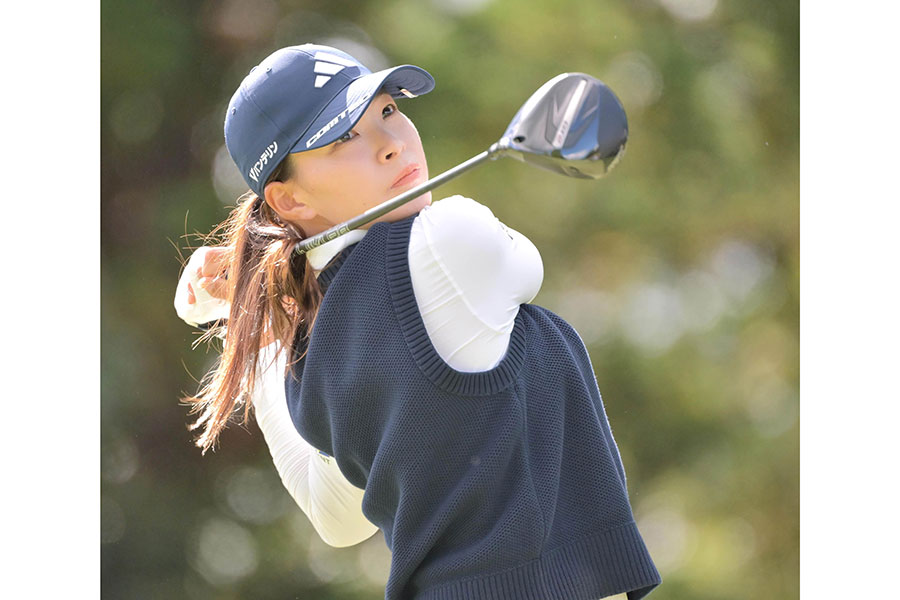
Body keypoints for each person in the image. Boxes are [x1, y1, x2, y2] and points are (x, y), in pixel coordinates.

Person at [174, 44, 661, 600]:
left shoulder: (307, 349)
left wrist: (254, 321)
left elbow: (336, 519)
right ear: (290, 200)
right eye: (343, 139)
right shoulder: (448, 239)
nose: (390, 144)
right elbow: (526, 266)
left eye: (386, 111)